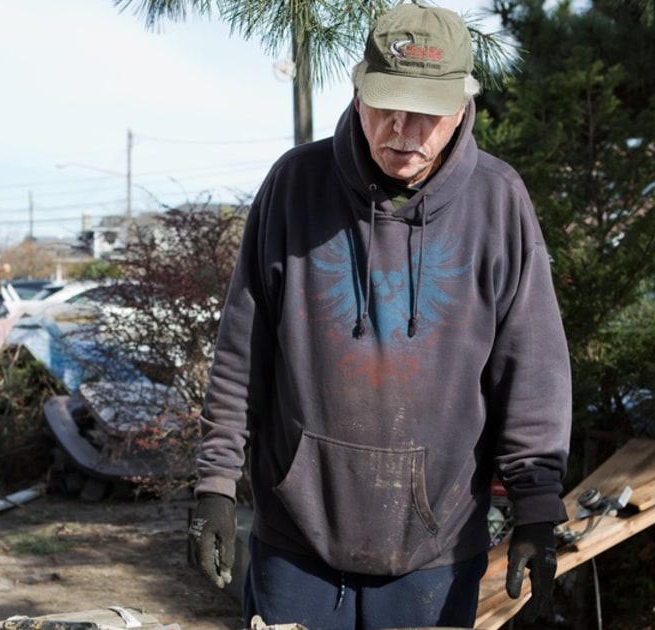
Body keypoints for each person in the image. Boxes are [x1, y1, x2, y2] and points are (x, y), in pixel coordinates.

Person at [186, 3, 572, 628]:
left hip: (436, 551)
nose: (403, 128)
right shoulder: (293, 186)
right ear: (358, 90)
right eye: (387, 103)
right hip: (296, 540)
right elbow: (241, 355)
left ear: (462, 107)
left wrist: (536, 507)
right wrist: (216, 487)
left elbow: (531, 371)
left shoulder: (498, 203)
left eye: (427, 112)